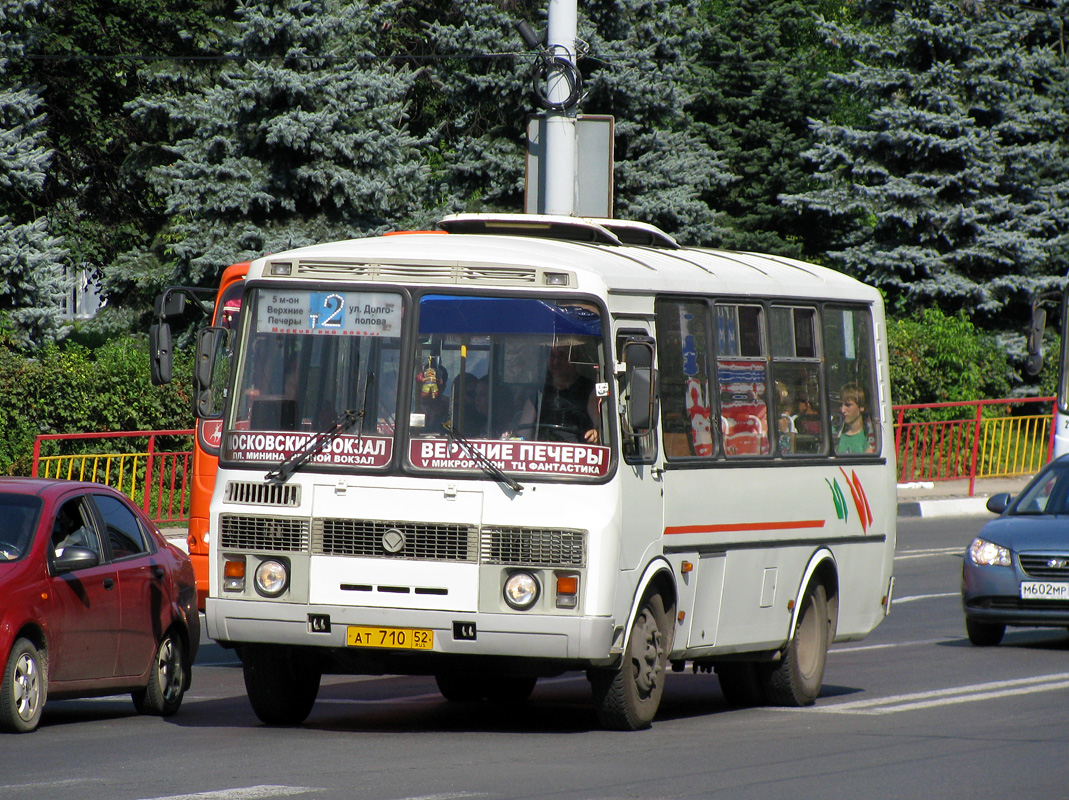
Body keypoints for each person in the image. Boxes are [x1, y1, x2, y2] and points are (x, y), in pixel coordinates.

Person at [514, 344, 601, 443]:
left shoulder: (589, 389)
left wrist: (596, 433)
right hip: (544, 450)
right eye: (552, 356)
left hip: (577, 452)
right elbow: (523, 433)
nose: (555, 362)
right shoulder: (538, 392)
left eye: (561, 356)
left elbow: (600, 427)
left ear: (574, 358)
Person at [836, 382, 875, 454]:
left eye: (848, 405)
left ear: (861, 407)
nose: (843, 410)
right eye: (841, 405)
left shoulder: (870, 436)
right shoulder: (837, 434)